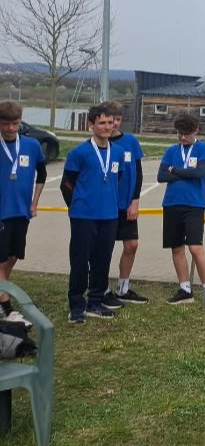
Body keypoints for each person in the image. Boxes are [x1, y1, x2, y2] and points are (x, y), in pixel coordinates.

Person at [60, 105, 125, 323]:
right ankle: (76, 305)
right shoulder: (79, 153)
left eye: (110, 122)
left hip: (109, 216)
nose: (107, 127)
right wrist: (77, 205)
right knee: (80, 261)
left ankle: (95, 302)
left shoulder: (117, 152)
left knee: (102, 261)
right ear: (91, 125)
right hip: (84, 216)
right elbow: (66, 184)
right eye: (102, 123)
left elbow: (117, 178)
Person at [158, 114, 205, 309]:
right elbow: (161, 176)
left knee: (195, 248)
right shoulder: (171, 151)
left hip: (194, 205)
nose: (182, 137)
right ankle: (185, 289)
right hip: (172, 204)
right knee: (176, 248)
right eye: (179, 134)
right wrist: (184, 173)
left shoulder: (204, 149)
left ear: (195, 131)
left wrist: (174, 170)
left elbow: (199, 173)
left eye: (186, 134)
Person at [0, 101, 46, 326]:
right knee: (0, 260)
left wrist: (34, 203)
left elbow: (42, 174)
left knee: (12, 257)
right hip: (2, 212)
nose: (11, 128)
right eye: (6, 124)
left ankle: (1, 294)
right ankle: (6, 308)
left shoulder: (31, 145)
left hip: (21, 211)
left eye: (15, 123)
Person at [106, 101, 148, 304]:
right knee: (104, 247)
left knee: (131, 245)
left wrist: (135, 200)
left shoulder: (131, 141)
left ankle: (123, 288)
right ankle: (100, 288)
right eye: (110, 120)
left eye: (117, 119)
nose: (114, 124)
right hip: (106, 206)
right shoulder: (100, 144)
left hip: (127, 205)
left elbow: (138, 174)